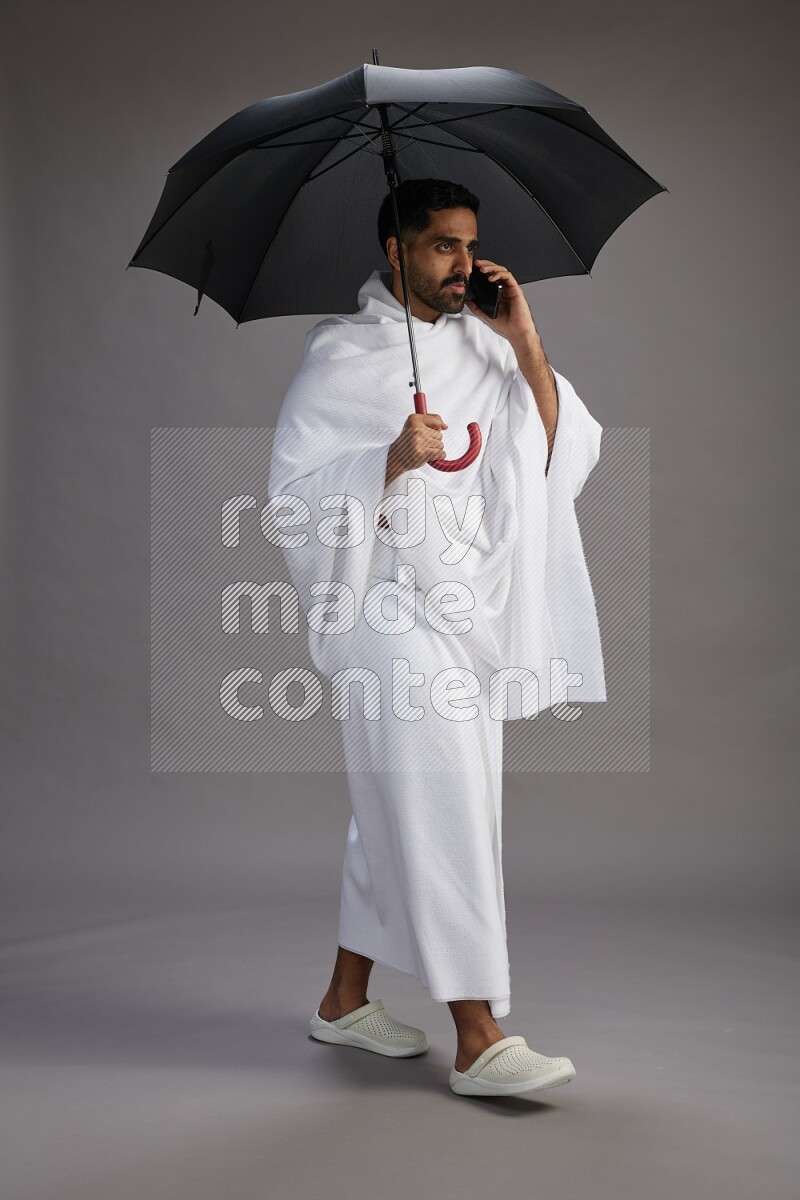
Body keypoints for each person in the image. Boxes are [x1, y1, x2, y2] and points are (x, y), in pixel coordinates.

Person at [267, 178, 606, 1097]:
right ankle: (479, 1034)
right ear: (395, 252)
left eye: (469, 245)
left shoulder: (487, 345)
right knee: (443, 801)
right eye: (441, 246)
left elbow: (556, 456)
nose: (465, 264)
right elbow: (291, 505)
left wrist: (523, 338)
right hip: (385, 610)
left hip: (468, 609)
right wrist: (389, 458)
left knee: (400, 803)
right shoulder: (341, 355)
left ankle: (343, 1001)